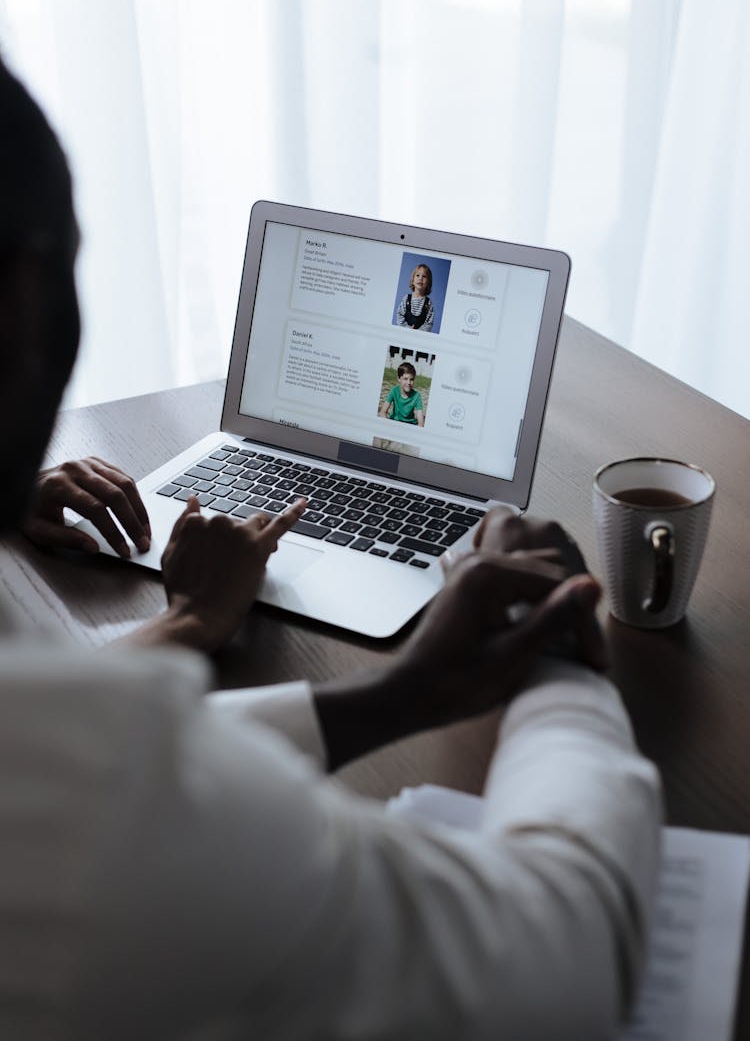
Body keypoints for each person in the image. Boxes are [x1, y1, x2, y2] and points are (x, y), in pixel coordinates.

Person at [0, 54, 661, 1040]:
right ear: (23, 304)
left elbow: (68, 751)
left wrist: (396, 695)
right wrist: (559, 657)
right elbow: (566, 958)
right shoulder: (89, 814)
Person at [379, 360, 425, 426]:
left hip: (409, 424)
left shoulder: (417, 396)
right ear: (399, 379)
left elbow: (420, 421)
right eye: (405, 379)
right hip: (394, 421)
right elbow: (382, 412)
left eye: (411, 379)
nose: (409, 383)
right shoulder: (394, 391)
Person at [396, 262, 434, 330]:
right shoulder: (406, 299)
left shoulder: (428, 303)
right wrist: (407, 328)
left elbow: (429, 323)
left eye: (424, 276)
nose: (420, 278)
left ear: (428, 282)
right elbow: (399, 315)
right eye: (417, 275)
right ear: (413, 280)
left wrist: (418, 332)